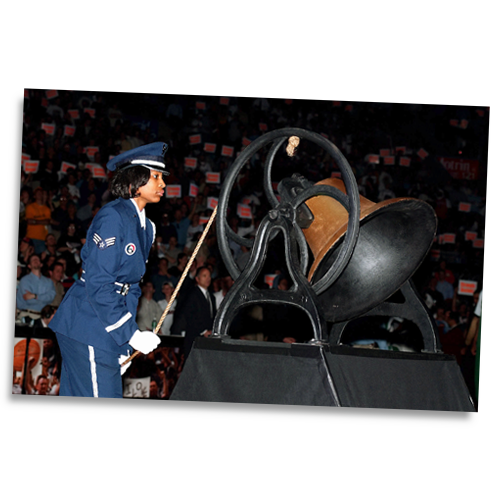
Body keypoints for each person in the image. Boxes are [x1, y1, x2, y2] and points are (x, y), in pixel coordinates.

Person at [49, 142, 169, 398]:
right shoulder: (113, 217)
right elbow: (99, 284)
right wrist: (130, 334)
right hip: (88, 324)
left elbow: (132, 286)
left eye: (162, 177)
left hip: (104, 329)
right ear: (134, 180)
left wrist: (124, 346)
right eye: (156, 176)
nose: (163, 184)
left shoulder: (148, 228)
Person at [171, 266, 215, 358]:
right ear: (197, 279)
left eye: (209, 276)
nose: (208, 278)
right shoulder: (192, 295)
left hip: (208, 339)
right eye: (204, 276)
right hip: (195, 338)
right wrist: (203, 331)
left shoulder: (211, 297)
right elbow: (190, 316)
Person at [16, 254, 56, 323]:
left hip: (43, 316)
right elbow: (28, 300)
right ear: (29, 266)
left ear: (41, 264)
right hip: (27, 314)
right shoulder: (25, 280)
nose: (35, 260)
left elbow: (51, 298)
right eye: (33, 260)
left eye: (37, 259)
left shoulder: (48, 281)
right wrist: (43, 299)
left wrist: (35, 296)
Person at [24, 187, 52, 254]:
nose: (40, 195)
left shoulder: (47, 209)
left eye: (41, 193)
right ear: (34, 196)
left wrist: (35, 221)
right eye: (38, 193)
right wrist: (42, 221)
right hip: (31, 236)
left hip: (42, 238)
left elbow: (47, 221)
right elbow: (29, 221)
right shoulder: (30, 207)